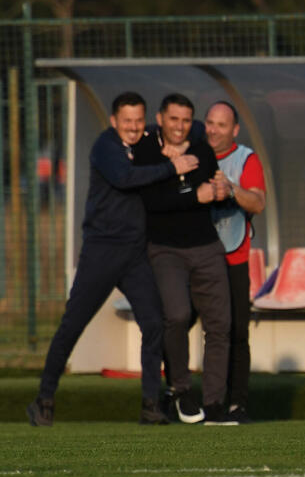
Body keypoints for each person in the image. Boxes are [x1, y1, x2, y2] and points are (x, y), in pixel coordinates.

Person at [26, 92, 198, 426]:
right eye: (126, 121)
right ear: (113, 121)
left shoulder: (146, 139)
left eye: (138, 121)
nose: (133, 128)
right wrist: (172, 165)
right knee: (73, 324)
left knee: (153, 321)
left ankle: (151, 404)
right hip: (102, 252)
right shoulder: (106, 146)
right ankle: (44, 398)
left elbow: (191, 130)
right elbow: (125, 178)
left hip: (135, 253)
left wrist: (178, 147)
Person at [133, 93, 234, 425]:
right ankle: (180, 389)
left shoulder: (202, 149)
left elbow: (206, 187)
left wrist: (212, 189)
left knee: (220, 324)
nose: (180, 127)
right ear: (160, 119)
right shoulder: (145, 152)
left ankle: (216, 403)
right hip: (164, 248)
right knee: (176, 315)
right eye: (174, 119)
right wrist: (189, 189)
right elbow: (152, 200)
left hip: (206, 245)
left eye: (186, 120)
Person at [205, 101, 266, 424]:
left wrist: (231, 190)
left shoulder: (246, 159)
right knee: (179, 321)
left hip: (233, 257)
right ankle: (189, 398)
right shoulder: (193, 154)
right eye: (210, 123)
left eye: (222, 124)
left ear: (235, 130)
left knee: (237, 332)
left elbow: (258, 201)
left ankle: (236, 404)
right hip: (197, 258)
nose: (214, 130)